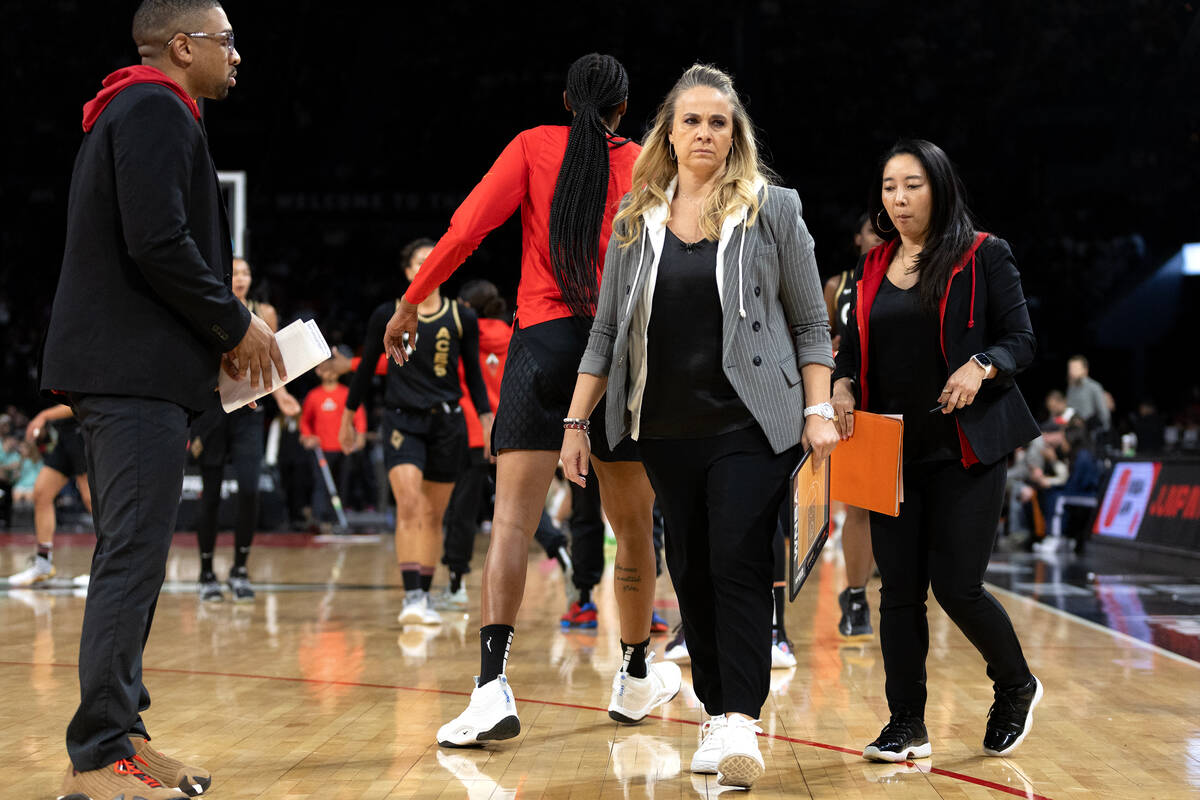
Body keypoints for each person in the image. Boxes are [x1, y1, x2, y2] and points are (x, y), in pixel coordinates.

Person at [384, 54, 679, 748]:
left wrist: (407, 302)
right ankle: (636, 675)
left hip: (539, 348)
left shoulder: (530, 145)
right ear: (622, 107)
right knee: (633, 527)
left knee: (512, 523)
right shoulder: (644, 162)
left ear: (565, 98)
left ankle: (491, 687)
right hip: (615, 358)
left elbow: (463, 232)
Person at [561, 64, 839, 789]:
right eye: (692, 121)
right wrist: (575, 422)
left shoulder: (774, 209)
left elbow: (810, 322)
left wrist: (816, 410)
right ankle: (717, 712)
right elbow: (607, 332)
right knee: (689, 568)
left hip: (753, 423)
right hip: (660, 428)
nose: (706, 133)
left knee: (735, 558)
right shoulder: (634, 220)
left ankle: (741, 718)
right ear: (670, 132)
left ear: (735, 134)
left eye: (720, 122)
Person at [39, 2, 283, 796]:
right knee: (130, 559)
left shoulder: (138, 106)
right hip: (132, 377)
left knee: (135, 559)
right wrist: (232, 322)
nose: (237, 55)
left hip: (133, 374)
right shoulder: (153, 107)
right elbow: (156, 240)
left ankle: (125, 733)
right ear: (182, 47)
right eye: (226, 40)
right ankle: (101, 750)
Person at [831, 139, 1043, 763]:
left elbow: (1022, 340)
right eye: (889, 187)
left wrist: (982, 365)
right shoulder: (874, 268)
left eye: (912, 185)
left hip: (964, 449)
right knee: (896, 592)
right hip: (890, 450)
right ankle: (906, 724)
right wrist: (842, 385)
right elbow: (851, 350)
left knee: (956, 586)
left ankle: (1015, 685)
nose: (897, 198)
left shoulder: (984, 254)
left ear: (940, 187)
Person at [342, 238, 493, 626]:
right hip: (401, 420)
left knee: (432, 513)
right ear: (408, 272)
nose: (427, 267)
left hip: (447, 422)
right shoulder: (387, 314)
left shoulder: (462, 317)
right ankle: (410, 597)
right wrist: (348, 415)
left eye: (434, 261)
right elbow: (363, 372)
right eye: (420, 263)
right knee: (409, 504)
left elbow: (474, 377)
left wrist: (488, 419)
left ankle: (423, 597)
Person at [439, 279, 576, 610]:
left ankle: (456, 582)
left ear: (468, 307)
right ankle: (558, 549)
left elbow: (464, 383)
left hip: (475, 429)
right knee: (520, 506)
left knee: (463, 508)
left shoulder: (463, 338)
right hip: (517, 426)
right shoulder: (514, 333)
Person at [190, 257, 301, 602]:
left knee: (250, 488)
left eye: (245, 272)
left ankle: (240, 569)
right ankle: (206, 571)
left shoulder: (264, 312)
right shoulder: (208, 307)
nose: (240, 277)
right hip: (212, 412)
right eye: (234, 272)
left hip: (249, 413)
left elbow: (273, 361)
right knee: (210, 494)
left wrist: (282, 396)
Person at [824, 214, 882, 639]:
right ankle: (857, 594)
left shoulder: (911, 272)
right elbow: (814, 337)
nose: (877, 235)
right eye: (870, 230)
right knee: (860, 506)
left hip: (897, 399)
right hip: (852, 399)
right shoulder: (839, 285)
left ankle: (887, 586)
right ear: (858, 237)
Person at [8, 404, 93, 587]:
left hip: (83, 430)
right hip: (66, 435)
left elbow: (80, 399)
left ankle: (111, 567)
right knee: (42, 492)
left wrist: (44, 415)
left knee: (91, 499)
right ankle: (43, 564)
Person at [1066, 355, 1110, 432]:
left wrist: (1104, 433)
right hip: (1074, 431)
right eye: (1070, 368)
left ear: (1085, 370)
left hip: (1091, 432)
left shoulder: (1094, 387)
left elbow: (1104, 413)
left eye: (1075, 368)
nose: (1071, 371)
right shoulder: (1071, 388)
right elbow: (1070, 409)